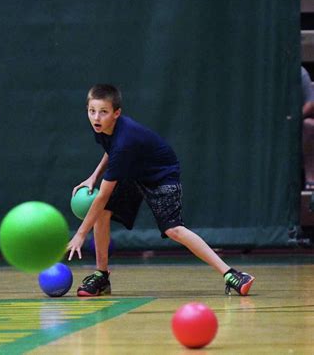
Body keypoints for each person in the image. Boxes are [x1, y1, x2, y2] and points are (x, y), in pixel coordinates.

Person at [67, 84, 255, 297]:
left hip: (161, 175)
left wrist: (81, 234)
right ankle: (101, 276)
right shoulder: (103, 129)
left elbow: (103, 194)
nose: (96, 117)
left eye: (103, 112)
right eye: (92, 111)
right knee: (102, 213)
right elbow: (111, 152)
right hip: (133, 170)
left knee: (172, 229)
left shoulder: (124, 140)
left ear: (116, 113)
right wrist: (93, 177)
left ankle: (232, 274)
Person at [301, 66, 314, 190]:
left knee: (309, 125)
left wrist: (294, 118)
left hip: (295, 123)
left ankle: (310, 178)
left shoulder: (300, 73)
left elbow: (310, 103)